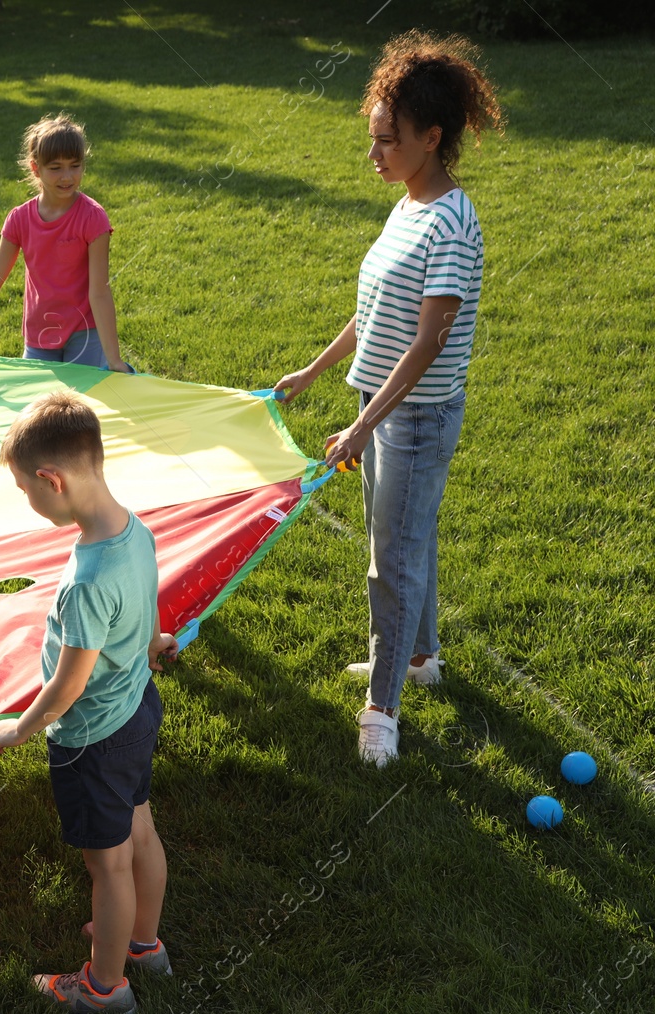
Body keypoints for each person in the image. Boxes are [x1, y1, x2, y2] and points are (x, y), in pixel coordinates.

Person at [271, 31, 503, 768]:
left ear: (431, 138)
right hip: (384, 405)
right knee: (407, 542)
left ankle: (383, 708)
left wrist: (365, 424)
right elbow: (375, 311)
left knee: (390, 560)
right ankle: (421, 659)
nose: (373, 153)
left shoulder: (452, 222)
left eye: (386, 140)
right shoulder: (407, 206)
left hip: (416, 415)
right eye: (372, 139)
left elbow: (430, 339)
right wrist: (314, 371)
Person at [0, 393, 176, 1014]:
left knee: (108, 867)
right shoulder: (135, 528)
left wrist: (21, 729)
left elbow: (68, 686)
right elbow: (145, 598)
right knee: (140, 830)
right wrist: (151, 642)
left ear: (53, 480)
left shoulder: (86, 582)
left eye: (24, 490)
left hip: (92, 737)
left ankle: (105, 988)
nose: (28, 502)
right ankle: (144, 945)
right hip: (137, 712)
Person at [0, 113, 131, 372]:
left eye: (75, 165)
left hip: (85, 334)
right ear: (36, 168)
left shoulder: (93, 217)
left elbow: (100, 292)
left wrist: (114, 359)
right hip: (40, 335)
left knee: (82, 408)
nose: (67, 177)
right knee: (38, 410)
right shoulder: (19, 220)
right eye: (56, 168)